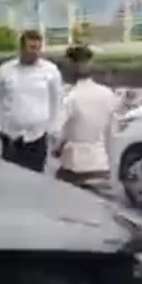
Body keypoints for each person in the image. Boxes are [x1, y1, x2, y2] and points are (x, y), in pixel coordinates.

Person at [0, 29, 63, 172]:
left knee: (34, 178)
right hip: (10, 137)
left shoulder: (50, 71)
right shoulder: (5, 70)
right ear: (22, 48)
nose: (35, 52)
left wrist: (55, 130)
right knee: (10, 177)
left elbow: (57, 102)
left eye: (38, 48)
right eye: (31, 48)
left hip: (37, 137)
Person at [54, 44, 119, 191]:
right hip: (101, 163)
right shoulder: (108, 94)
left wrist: (57, 147)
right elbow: (112, 132)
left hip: (74, 165)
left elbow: (57, 132)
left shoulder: (70, 97)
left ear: (71, 65)